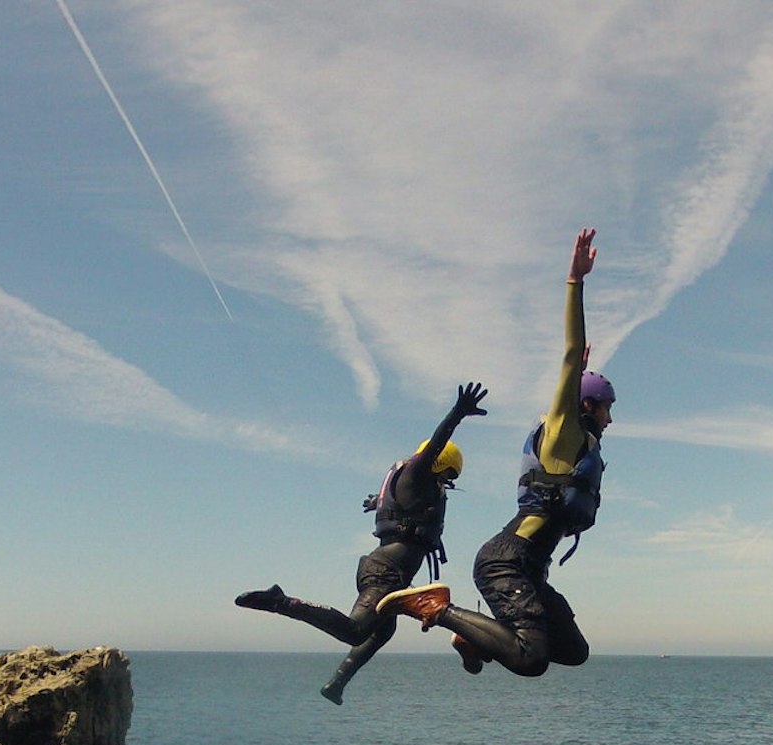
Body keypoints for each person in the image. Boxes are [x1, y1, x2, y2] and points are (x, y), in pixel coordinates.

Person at [376, 228, 609, 678]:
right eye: (606, 408)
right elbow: (567, 355)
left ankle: (473, 635)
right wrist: (575, 281)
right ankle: (436, 607)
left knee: (574, 651)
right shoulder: (563, 432)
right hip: (506, 561)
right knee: (531, 659)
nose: (610, 419)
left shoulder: (583, 447)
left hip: (530, 570)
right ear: (587, 405)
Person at [235, 382, 487, 703]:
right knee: (355, 630)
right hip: (385, 571)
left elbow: (392, 503)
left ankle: (337, 683)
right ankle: (282, 602)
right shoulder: (418, 471)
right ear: (437, 464)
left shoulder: (407, 486)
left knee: (383, 631)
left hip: (388, 570)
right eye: (446, 475)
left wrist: (375, 503)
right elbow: (435, 445)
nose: (445, 484)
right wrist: (458, 414)